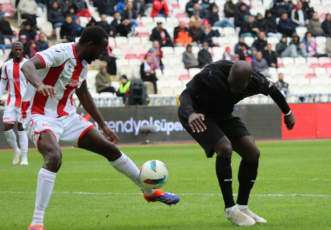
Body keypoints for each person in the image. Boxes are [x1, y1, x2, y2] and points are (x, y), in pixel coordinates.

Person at [20, 26, 179, 229]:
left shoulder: (84, 64)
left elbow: (83, 92)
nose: (101, 55)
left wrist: (102, 124)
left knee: (110, 149)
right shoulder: (60, 53)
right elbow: (27, 66)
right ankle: (37, 222)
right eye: (101, 50)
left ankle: (149, 193)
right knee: (54, 156)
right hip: (38, 115)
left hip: (67, 117)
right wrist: (39, 85)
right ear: (90, 45)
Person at [178, 60, 295, 226]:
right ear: (229, 75)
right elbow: (185, 94)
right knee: (225, 148)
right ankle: (230, 209)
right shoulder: (211, 74)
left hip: (223, 114)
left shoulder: (257, 80)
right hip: (198, 115)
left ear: (248, 82)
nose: (233, 89)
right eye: (231, 84)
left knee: (252, 152)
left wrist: (287, 112)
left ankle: (242, 206)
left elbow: (273, 90)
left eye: (238, 87)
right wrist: (190, 113)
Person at [0, 42, 29, 165]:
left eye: (20, 49)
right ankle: (16, 150)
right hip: (11, 101)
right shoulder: (6, 65)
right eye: (16, 49)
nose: (18, 52)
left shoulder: (28, 64)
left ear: (23, 50)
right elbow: (3, 82)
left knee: (21, 128)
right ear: (12, 50)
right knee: (7, 127)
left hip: (24, 102)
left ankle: (25, 158)